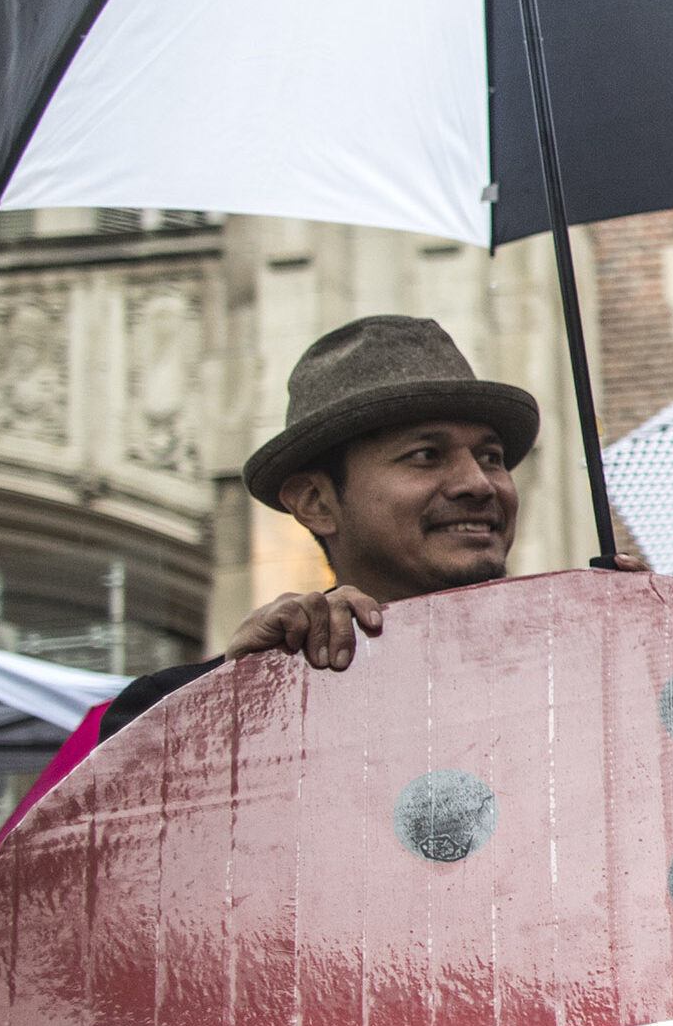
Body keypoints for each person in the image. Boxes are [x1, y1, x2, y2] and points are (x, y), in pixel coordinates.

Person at [100, 314, 554, 736]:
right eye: (426, 455)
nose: (478, 484)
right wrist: (240, 699)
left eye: (490, 457)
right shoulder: (166, 717)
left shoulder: (571, 664)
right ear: (315, 502)